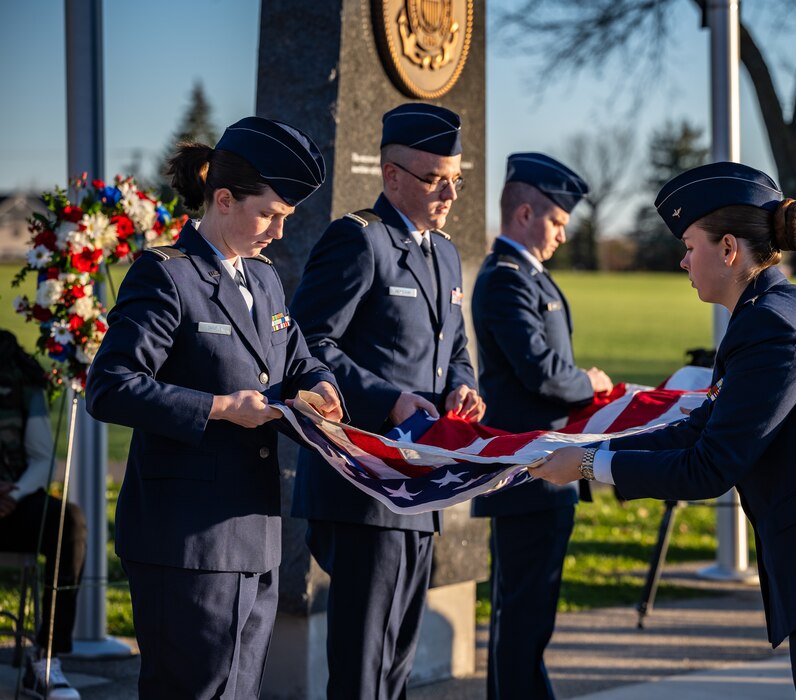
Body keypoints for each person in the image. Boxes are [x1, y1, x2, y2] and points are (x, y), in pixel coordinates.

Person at [531, 162, 796, 699]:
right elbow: (699, 428)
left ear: (729, 249)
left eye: (690, 244)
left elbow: (710, 465)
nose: (682, 260)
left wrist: (589, 466)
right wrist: (590, 448)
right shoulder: (770, 312)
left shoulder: (773, 326)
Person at [85, 116, 341, 699]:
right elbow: (110, 385)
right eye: (269, 214)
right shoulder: (167, 275)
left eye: (286, 218)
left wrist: (323, 388)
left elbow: (300, 359)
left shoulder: (265, 279)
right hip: (186, 541)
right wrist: (220, 407)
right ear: (222, 199)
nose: (278, 232)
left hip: (254, 533)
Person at [290, 102, 485, 700]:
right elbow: (307, 343)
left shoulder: (443, 251)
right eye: (435, 178)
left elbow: (454, 348)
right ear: (391, 175)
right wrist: (389, 401)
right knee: (362, 663)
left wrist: (462, 384)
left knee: (398, 657)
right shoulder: (358, 241)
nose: (450, 192)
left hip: (421, 485)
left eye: (457, 176)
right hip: (364, 483)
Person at [470, 152, 612, 699]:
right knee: (523, 617)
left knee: (527, 615)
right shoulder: (507, 280)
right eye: (556, 223)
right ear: (524, 213)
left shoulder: (530, 277)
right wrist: (592, 383)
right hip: (529, 470)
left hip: (549, 467)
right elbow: (543, 373)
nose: (560, 236)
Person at [0, 331, 86, 700]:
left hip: (10, 501)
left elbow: (39, 457)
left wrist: (14, 493)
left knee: (67, 522)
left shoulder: (15, 369)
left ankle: (47, 659)